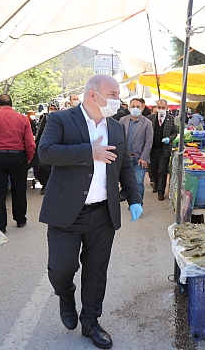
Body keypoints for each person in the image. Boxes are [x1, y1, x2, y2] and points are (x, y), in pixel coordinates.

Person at [38, 74, 142, 349]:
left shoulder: (117, 128)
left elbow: (125, 166)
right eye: (113, 93)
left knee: (96, 271)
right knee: (61, 269)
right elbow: (45, 153)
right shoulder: (61, 120)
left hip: (102, 214)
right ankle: (65, 294)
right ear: (93, 94)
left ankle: (91, 322)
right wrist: (89, 151)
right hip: (66, 212)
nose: (117, 100)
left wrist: (134, 198)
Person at [0, 94, 35, 234]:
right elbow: (30, 143)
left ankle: (0, 225)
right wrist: (28, 158)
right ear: (11, 104)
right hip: (18, 157)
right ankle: (20, 219)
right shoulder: (22, 118)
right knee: (19, 189)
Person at [120, 98, 153, 202]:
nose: (135, 108)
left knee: (138, 181)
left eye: (138, 107)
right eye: (133, 106)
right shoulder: (122, 120)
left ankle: (137, 203)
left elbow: (148, 141)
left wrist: (144, 158)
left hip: (139, 159)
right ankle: (131, 200)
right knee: (127, 182)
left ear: (142, 108)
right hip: (125, 158)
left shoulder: (147, 123)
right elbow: (119, 139)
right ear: (129, 107)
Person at [147, 99, 178, 201]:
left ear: (166, 108)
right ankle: (156, 183)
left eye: (163, 108)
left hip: (164, 149)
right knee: (153, 169)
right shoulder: (150, 118)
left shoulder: (171, 119)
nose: (161, 110)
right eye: (159, 108)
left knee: (163, 170)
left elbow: (175, 132)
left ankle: (161, 191)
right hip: (153, 148)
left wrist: (169, 138)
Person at [35, 103, 59, 195]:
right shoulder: (44, 118)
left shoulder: (62, 118)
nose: (52, 110)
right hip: (45, 144)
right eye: (51, 108)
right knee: (43, 166)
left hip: (57, 145)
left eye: (54, 108)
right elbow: (39, 132)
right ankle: (44, 185)